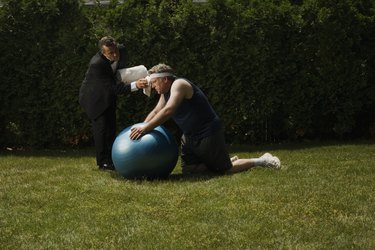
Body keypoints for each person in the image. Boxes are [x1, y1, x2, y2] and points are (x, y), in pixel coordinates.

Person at [129, 63, 281, 174]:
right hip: (189, 136)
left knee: (226, 170)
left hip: (207, 133)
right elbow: (157, 111)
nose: (153, 87)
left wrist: (145, 128)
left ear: (165, 79)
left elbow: (169, 110)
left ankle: (262, 160)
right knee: (189, 171)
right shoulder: (165, 92)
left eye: (155, 82)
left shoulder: (179, 84)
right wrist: (142, 125)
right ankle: (219, 162)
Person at [79, 36, 147, 171]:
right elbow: (114, 89)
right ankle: (103, 163)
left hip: (108, 95)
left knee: (111, 129)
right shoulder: (97, 64)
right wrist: (136, 85)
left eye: (116, 50)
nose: (115, 55)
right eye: (111, 53)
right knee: (102, 131)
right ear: (103, 53)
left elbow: (118, 72)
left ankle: (113, 159)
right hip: (94, 99)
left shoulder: (122, 51)